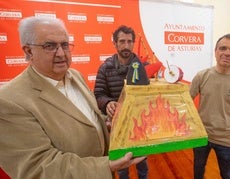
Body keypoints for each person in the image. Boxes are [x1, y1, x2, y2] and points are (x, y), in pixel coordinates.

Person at [0, 16, 146, 179]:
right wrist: (107, 165)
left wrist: (109, 122)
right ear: (28, 51)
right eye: (50, 46)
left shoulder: (75, 76)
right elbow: (39, 167)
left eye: (64, 45)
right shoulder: (8, 101)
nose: (61, 53)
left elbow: (89, 117)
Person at [190, 34, 230, 179]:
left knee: (228, 175)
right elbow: (185, 103)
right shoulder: (202, 76)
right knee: (198, 172)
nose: (227, 52)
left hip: (227, 140)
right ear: (216, 51)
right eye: (223, 48)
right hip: (201, 137)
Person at [94, 25, 149, 179]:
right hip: (118, 125)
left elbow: (151, 95)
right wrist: (107, 104)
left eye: (129, 41)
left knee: (142, 161)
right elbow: (98, 94)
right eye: (122, 41)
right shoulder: (105, 68)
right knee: (121, 165)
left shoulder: (144, 67)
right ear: (115, 43)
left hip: (140, 123)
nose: (126, 45)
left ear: (133, 43)